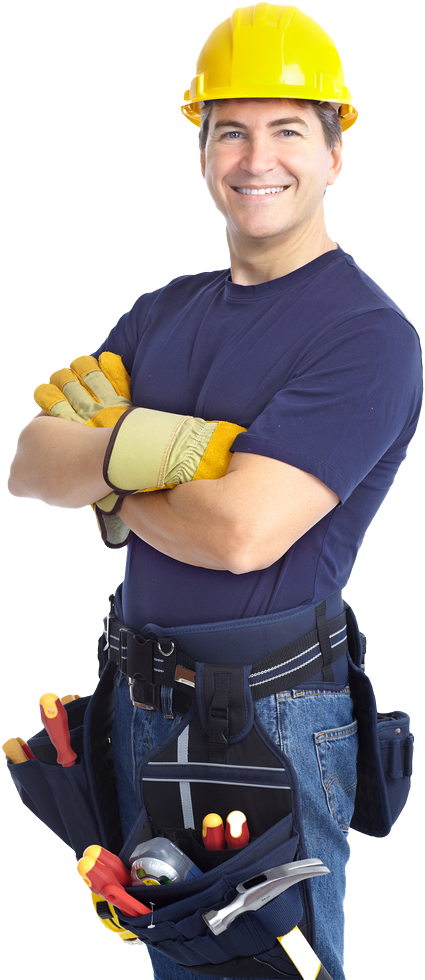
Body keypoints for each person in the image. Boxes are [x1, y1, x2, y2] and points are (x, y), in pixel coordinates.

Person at [6, 4, 423, 980]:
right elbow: (29, 462)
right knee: (183, 958)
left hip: (265, 720)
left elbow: (241, 533)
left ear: (334, 153)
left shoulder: (366, 336)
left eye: (287, 130)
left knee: (260, 965)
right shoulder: (161, 313)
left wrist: (109, 475)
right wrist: (167, 453)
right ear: (201, 153)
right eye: (229, 130)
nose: (255, 158)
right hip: (136, 700)